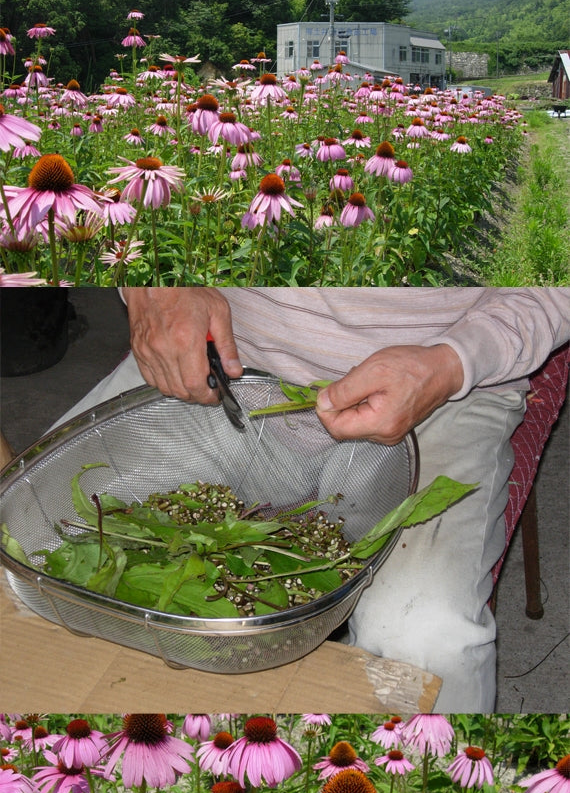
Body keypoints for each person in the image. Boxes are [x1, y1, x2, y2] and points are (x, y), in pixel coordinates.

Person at [57, 288, 570, 711]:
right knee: (44, 548)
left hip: (442, 380)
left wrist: (452, 363)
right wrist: (151, 286)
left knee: (427, 637)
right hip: (227, 359)